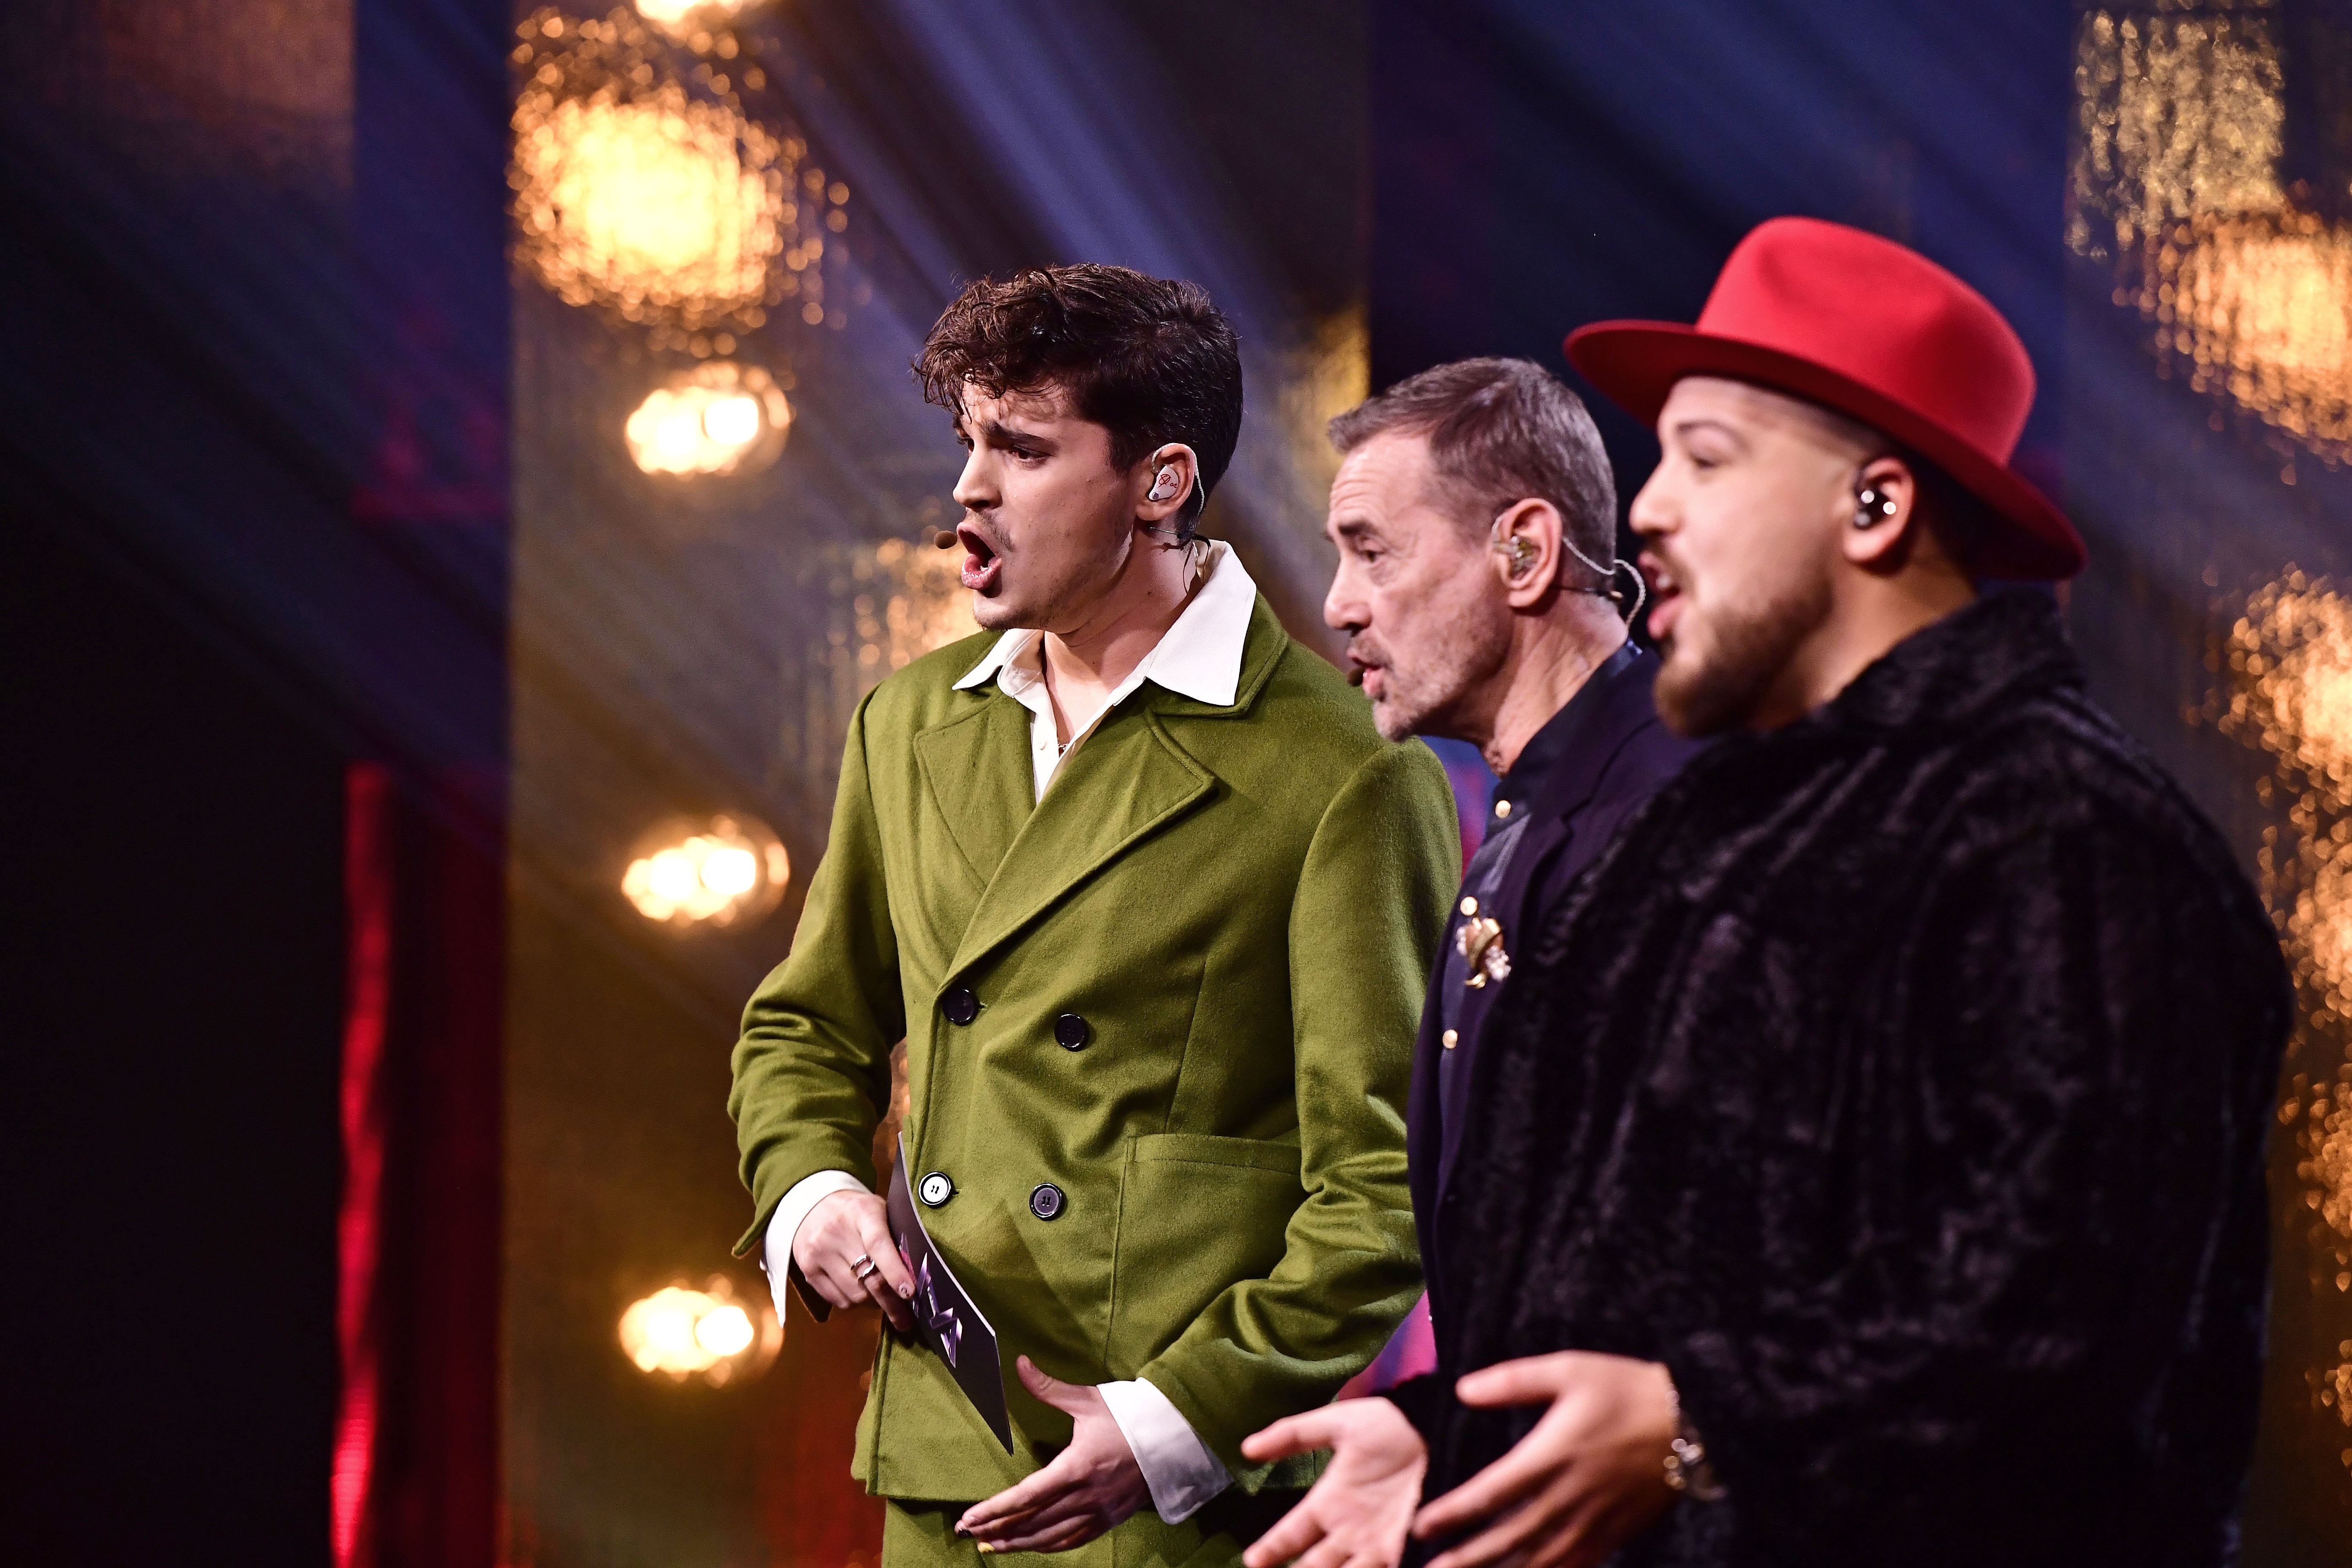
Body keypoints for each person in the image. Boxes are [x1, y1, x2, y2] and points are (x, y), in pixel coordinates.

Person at [1241, 217, 2293, 1568]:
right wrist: (1451, 1439)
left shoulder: (2074, 840)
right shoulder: (1734, 833)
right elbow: (1647, 1306)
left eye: (1706, 459)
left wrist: (1704, 1427)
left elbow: (2058, 1335)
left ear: (1876, 505)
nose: (1653, 507)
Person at [727, 263, 1460, 1568]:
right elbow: (804, 1029)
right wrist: (818, 1193)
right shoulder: (911, 720)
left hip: (1166, 1483)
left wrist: (1180, 1420)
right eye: (968, 440)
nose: (970, 487)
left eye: (1020, 446)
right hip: (941, 1451)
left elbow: (1386, 1187)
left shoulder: (1342, 767)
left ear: (1161, 482)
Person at [1313, 357, 1703, 1394]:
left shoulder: (1669, 820)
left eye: (1373, 553)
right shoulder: (1535, 806)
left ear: (1524, 551)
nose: (1339, 604)